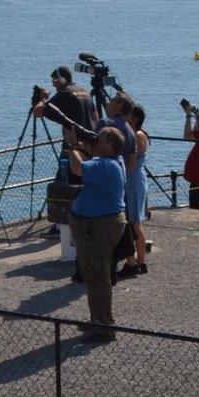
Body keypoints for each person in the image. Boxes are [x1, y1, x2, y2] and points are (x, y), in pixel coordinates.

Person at [67, 127, 127, 344]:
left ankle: (104, 327)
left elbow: (77, 168)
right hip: (97, 226)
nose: (95, 141)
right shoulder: (111, 162)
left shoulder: (106, 165)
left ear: (109, 145)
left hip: (98, 227)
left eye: (99, 139)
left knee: (98, 276)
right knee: (92, 274)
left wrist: (73, 145)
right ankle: (97, 320)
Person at [33, 66, 98, 185]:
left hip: (73, 146)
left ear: (62, 80)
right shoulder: (85, 92)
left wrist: (42, 99)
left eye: (55, 82)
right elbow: (96, 118)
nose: (54, 86)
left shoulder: (65, 93)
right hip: (91, 146)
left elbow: (37, 112)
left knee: (66, 184)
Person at [118, 105, 150, 279]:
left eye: (128, 115)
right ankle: (138, 260)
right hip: (132, 178)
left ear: (135, 118)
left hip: (133, 179)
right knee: (132, 221)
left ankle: (140, 261)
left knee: (135, 222)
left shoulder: (137, 135)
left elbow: (129, 155)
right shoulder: (135, 133)